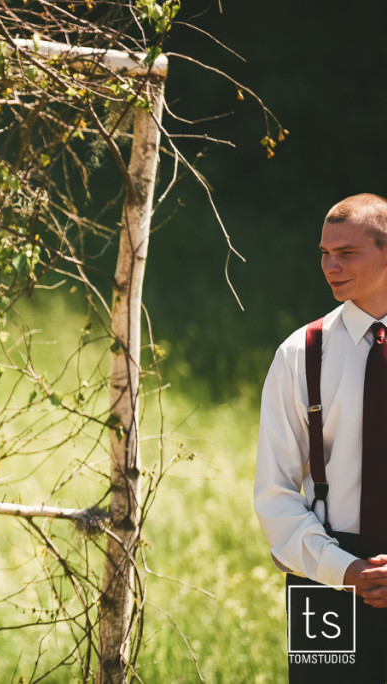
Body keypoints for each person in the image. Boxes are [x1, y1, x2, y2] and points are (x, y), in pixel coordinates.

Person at [255, 193, 387, 681]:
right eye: (324, 253)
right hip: (323, 578)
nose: (330, 266)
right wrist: (344, 572)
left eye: (347, 253)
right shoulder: (299, 353)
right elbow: (276, 495)